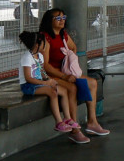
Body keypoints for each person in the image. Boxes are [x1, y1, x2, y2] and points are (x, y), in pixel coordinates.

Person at [39, 8, 110, 144]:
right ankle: (74, 130)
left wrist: (68, 60)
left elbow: (73, 47)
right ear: (50, 21)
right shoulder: (45, 38)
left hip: (63, 73)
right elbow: (45, 65)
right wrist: (64, 76)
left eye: (63, 18)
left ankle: (92, 122)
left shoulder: (63, 35)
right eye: (58, 18)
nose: (62, 21)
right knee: (72, 88)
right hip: (49, 76)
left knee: (92, 83)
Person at [18, 31, 76, 133]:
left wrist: (49, 80)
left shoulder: (39, 56)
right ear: (37, 44)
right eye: (44, 42)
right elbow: (28, 78)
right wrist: (46, 84)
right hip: (28, 86)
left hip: (39, 83)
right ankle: (58, 122)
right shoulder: (27, 58)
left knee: (63, 90)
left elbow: (42, 72)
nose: (46, 45)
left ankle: (67, 118)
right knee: (52, 92)